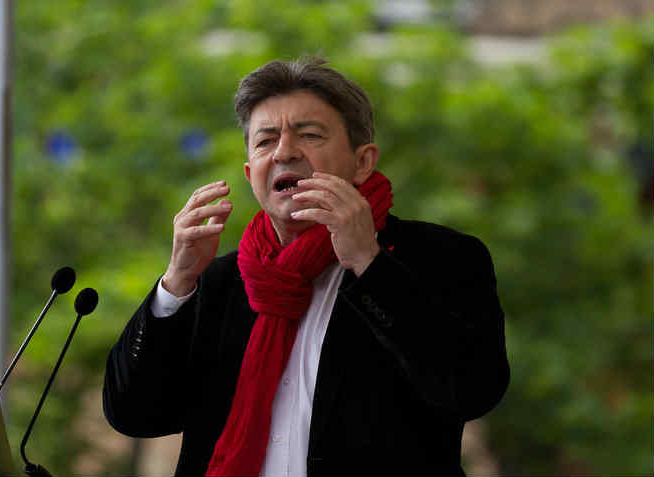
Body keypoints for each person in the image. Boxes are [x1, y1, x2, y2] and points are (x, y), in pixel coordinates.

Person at [103, 57, 510, 476]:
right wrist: (176, 284)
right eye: (264, 142)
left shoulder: (441, 258)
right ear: (250, 174)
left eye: (309, 135)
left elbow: (471, 390)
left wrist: (369, 265)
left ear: (363, 162)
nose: (283, 152)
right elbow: (134, 414)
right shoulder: (221, 282)